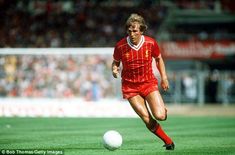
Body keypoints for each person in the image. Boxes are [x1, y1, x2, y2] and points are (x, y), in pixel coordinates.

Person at [111, 13, 175, 150]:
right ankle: (168, 141)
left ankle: (162, 109)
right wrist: (114, 69)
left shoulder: (150, 43)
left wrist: (164, 78)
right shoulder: (120, 46)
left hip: (148, 84)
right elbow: (115, 63)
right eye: (129, 31)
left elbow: (158, 59)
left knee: (160, 116)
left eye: (135, 31)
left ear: (141, 31)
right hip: (130, 87)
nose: (132, 33)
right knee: (146, 118)